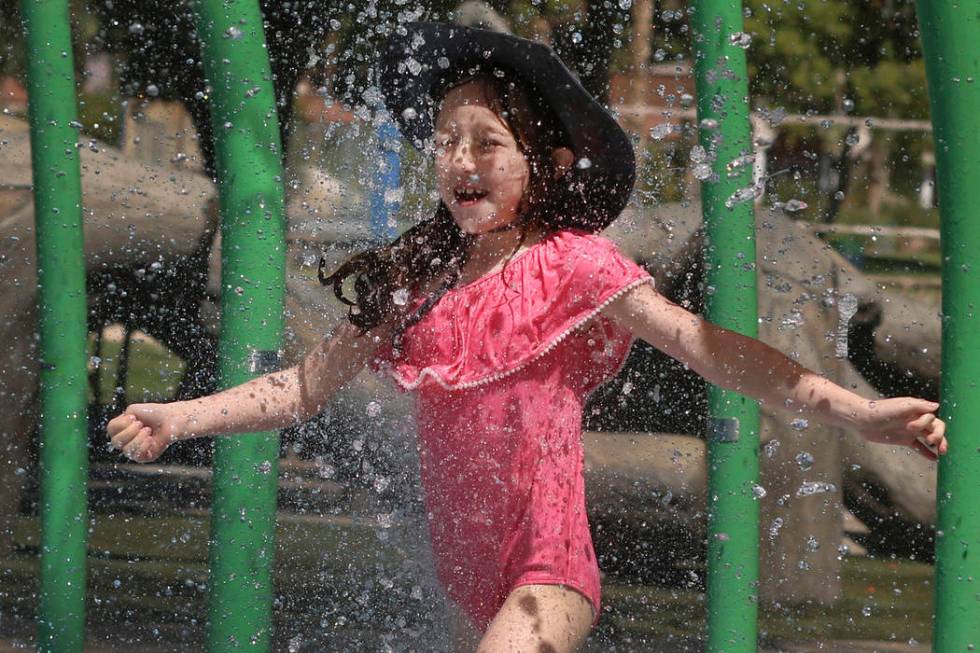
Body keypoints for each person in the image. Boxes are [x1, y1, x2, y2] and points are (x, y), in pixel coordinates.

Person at [106, 22, 948, 653]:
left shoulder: (574, 266)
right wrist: (184, 417)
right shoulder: (419, 284)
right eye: (445, 142)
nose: (459, 159)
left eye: (486, 143)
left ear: (540, 163)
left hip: (550, 568)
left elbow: (713, 349)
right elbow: (302, 385)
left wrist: (860, 416)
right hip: (461, 571)